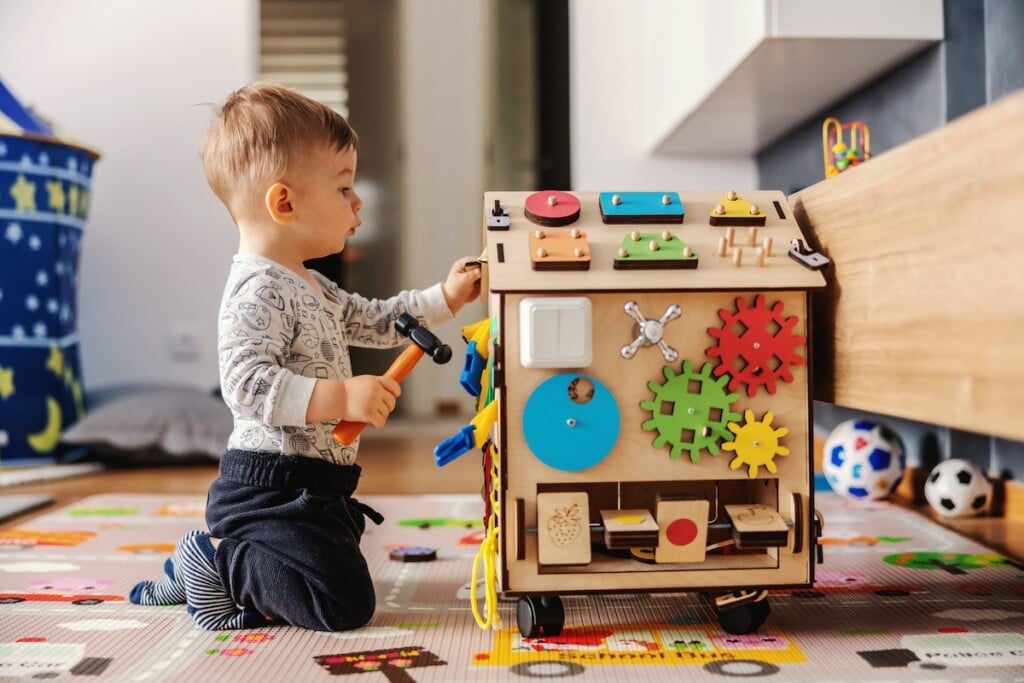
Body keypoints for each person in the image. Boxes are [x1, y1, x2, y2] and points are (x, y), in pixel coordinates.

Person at [128, 82, 481, 631]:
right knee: (341, 606)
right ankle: (220, 562)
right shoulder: (258, 289)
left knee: (332, 573)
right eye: (344, 188)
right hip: (271, 486)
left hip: (316, 483)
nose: (358, 201)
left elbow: (381, 318)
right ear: (284, 202)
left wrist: (447, 297)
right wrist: (340, 395)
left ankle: (195, 571)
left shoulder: (312, 284)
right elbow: (245, 383)